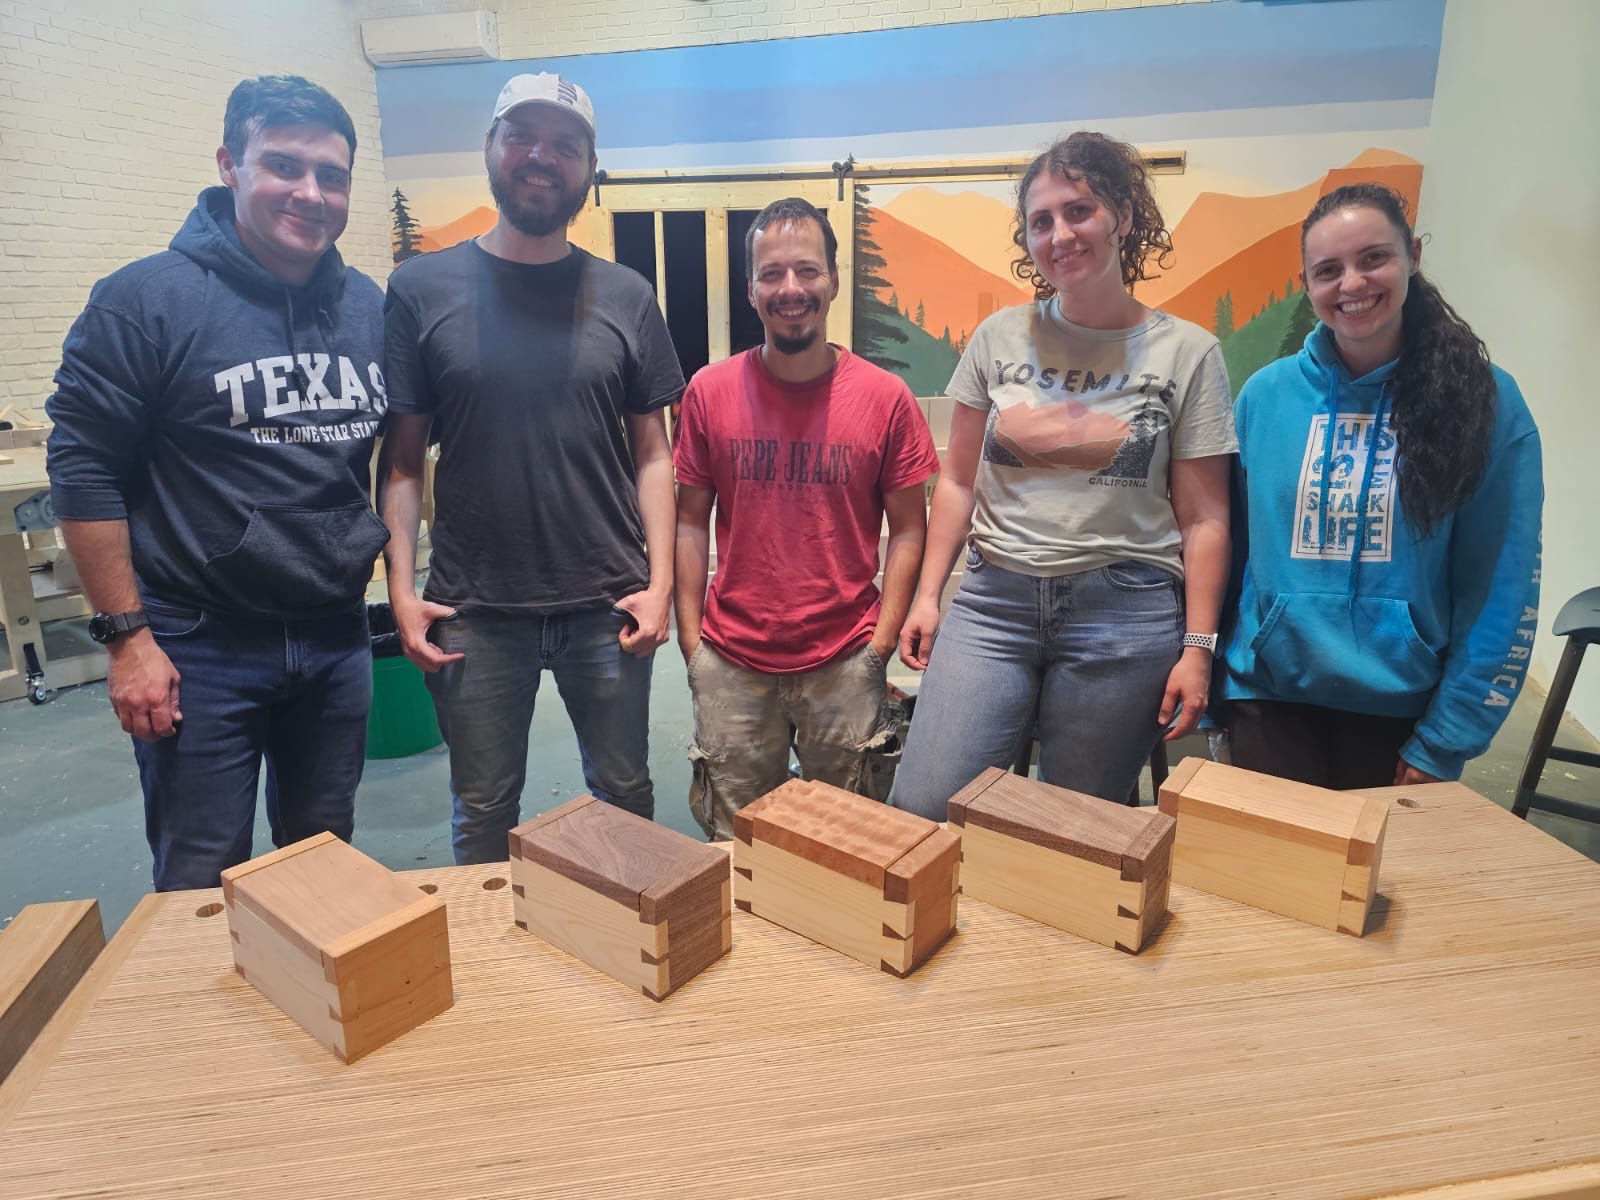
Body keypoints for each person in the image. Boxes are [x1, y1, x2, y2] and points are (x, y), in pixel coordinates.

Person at [45, 76, 389, 891]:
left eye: (331, 176)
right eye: (284, 166)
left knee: (324, 859)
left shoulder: (366, 307)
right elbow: (82, 467)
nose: (310, 193)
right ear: (230, 165)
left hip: (334, 632)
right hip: (200, 643)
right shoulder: (146, 300)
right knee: (201, 872)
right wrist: (127, 639)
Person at [379, 73, 682, 864]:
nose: (541, 157)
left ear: (589, 168)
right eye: (522, 136)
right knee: (483, 810)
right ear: (491, 148)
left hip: (607, 601)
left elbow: (654, 452)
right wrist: (402, 589)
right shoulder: (419, 290)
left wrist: (662, 583)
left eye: (565, 145)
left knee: (625, 793)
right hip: (473, 606)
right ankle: (490, 945)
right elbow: (402, 461)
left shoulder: (627, 295)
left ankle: (631, 927)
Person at [891, 131, 1236, 819]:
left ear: (1123, 216)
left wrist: (1198, 648)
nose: (1060, 235)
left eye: (1079, 211)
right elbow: (956, 481)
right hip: (995, 603)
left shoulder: (1189, 352)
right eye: (1041, 221)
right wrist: (928, 596)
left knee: (1069, 830)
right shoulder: (998, 337)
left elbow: (1205, 518)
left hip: (1125, 611)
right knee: (924, 806)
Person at [1218, 183, 1542, 788]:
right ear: (1306, 283)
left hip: (1401, 713)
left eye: (1374, 258)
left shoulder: (1485, 401)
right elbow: (1229, 551)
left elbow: (1502, 583)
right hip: (1267, 699)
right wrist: (1213, 682)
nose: (1352, 284)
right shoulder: (1265, 396)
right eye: (1328, 270)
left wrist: (1448, 736)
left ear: (1413, 256)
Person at [673, 197, 940, 839]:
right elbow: (689, 522)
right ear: (751, 289)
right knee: (738, 844)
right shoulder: (709, 391)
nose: (790, 288)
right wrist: (691, 643)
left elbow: (910, 526)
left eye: (807, 270)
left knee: (849, 841)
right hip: (731, 660)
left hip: (846, 660)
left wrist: (879, 647)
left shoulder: (885, 398)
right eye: (771, 273)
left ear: (834, 280)